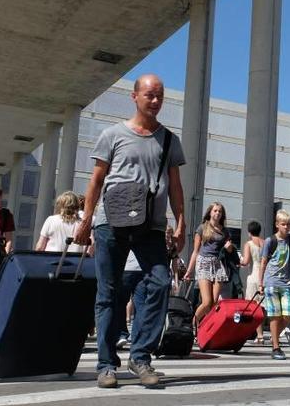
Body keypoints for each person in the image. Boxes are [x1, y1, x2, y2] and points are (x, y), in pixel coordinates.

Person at [74, 74, 186, 389]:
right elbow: (96, 180)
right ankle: (107, 365)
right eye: (150, 94)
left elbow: (175, 186)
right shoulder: (112, 135)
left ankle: (140, 357)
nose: (155, 101)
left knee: (161, 282)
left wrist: (181, 223)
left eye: (160, 96)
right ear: (134, 96)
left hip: (150, 226)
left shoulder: (169, 140)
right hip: (111, 222)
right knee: (108, 293)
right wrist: (86, 221)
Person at [257, 209, 290, 360]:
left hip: (287, 283)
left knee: (287, 315)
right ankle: (276, 348)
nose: (286, 227)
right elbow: (263, 262)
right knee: (275, 316)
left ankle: (274, 335)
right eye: (283, 224)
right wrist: (260, 282)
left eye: (289, 224)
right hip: (271, 282)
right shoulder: (270, 241)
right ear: (277, 224)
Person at [183, 202, 233, 325]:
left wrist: (229, 247)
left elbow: (230, 251)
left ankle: (204, 327)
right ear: (210, 212)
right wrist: (189, 271)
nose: (217, 213)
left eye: (220, 211)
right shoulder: (202, 228)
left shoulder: (225, 231)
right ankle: (192, 323)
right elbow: (195, 251)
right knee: (206, 302)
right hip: (204, 261)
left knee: (215, 302)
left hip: (217, 263)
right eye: (215, 210)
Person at [239, 220, 265, 344]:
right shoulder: (265, 243)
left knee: (253, 307)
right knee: (262, 307)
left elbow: (246, 261)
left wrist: (238, 260)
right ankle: (260, 334)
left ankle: (258, 335)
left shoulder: (249, 244)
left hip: (254, 275)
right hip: (264, 276)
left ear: (249, 232)